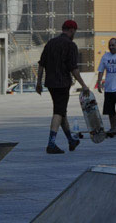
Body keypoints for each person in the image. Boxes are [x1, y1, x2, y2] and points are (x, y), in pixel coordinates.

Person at [36, 19, 90, 154]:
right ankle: (51, 144)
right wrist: (83, 85)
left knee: (61, 112)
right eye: (75, 31)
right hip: (62, 83)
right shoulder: (70, 45)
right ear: (72, 30)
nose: (74, 34)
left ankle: (71, 140)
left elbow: (41, 64)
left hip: (51, 83)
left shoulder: (50, 43)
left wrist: (38, 83)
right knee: (58, 112)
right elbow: (73, 68)